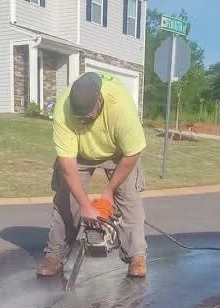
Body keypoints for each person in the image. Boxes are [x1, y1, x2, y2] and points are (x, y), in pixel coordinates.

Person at [36, 71, 149, 279]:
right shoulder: (63, 109)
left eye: (88, 116)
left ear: (100, 99)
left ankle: (136, 256)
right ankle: (55, 255)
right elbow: (66, 163)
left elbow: (132, 153)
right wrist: (85, 205)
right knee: (65, 202)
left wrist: (108, 192)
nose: (84, 122)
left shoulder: (120, 107)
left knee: (129, 200)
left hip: (118, 152)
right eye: (80, 118)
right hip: (79, 152)